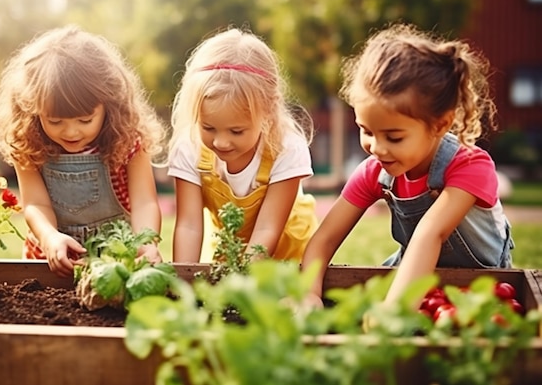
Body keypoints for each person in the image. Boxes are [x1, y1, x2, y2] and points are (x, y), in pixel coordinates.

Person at [301, 23, 514, 309]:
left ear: (440, 124)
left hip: (478, 290)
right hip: (409, 280)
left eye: (394, 136)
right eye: (366, 130)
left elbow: (431, 232)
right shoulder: (374, 173)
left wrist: (393, 313)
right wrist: (309, 294)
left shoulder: (469, 166)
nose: (377, 147)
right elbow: (324, 240)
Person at [0, 25, 167, 277]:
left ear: (109, 103)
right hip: (52, 263)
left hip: (115, 264)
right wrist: (50, 238)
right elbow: (35, 204)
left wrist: (146, 243)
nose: (71, 133)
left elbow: (144, 202)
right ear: (33, 109)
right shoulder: (29, 142)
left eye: (85, 120)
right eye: (55, 121)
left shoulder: (128, 140)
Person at [167, 27, 318, 263]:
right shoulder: (190, 147)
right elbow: (189, 226)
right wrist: (183, 283)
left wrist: (240, 282)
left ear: (267, 111)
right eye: (208, 128)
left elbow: (267, 229)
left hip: (289, 253)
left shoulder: (286, 148)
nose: (220, 141)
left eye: (236, 131)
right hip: (229, 250)